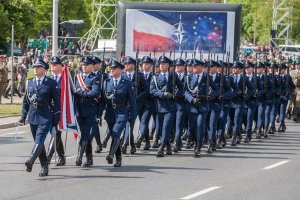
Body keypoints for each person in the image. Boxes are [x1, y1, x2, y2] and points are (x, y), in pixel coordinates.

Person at [18, 58, 60, 176]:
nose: (35, 69)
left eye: (38, 67)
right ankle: (44, 167)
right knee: (39, 143)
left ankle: (31, 160)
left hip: (45, 115)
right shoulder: (29, 82)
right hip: (33, 114)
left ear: (44, 70)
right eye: (34, 67)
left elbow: (57, 102)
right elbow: (26, 102)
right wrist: (23, 116)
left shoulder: (51, 83)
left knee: (39, 139)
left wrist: (57, 117)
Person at [103, 59, 136, 167]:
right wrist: (99, 114)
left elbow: (132, 101)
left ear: (121, 70)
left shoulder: (127, 83)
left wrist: (133, 116)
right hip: (110, 112)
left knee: (116, 132)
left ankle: (110, 155)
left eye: (114, 68)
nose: (112, 70)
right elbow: (103, 100)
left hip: (122, 112)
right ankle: (118, 158)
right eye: (111, 68)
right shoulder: (107, 82)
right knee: (114, 135)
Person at [74, 56, 101, 167]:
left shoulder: (96, 78)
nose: (84, 67)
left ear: (92, 66)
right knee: (83, 132)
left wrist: (82, 93)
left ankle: (79, 156)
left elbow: (95, 92)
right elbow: (73, 90)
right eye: (83, 65)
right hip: (79, 109)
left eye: (87, 65)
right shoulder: (77, 77)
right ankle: (89, 158)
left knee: (85, 132)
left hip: (90, 109)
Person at [46, 56, 66, 166]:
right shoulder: (48, 79)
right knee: (54, 133)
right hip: (49, 110)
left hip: (61, 110)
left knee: (56, 133)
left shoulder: (66, 79)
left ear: (61, 67)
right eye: (52, 64)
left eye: (56, 64)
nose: (53, 66)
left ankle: (48, 157)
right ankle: (62, 156)